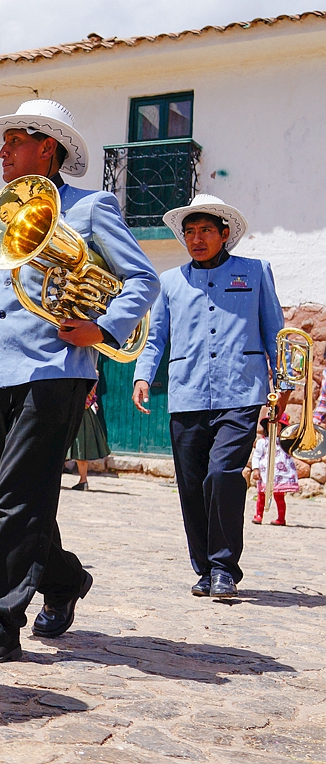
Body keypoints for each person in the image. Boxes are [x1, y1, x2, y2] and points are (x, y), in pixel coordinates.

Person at [0, 99, 158, 666]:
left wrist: (103, 326)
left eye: (14, 141)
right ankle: (62, 579)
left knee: (16, 498)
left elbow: (142, 279)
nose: (3, 152)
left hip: (53, 371)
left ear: (48, 148)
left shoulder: (91, 206)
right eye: (4, 143)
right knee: (9, 492)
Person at [133, 194, 285, 599]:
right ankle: (203, 568)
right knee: (192, 484)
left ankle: (223, 568)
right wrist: (143, 376)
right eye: (190, 232)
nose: (196, 239)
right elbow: (155, 337)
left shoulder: (255, 272)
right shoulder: (170, 281)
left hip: (242, 390)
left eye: (205, 231)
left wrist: (283, 383)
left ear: (224, 234)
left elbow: (275, 332)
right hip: (187, 393)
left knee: (223, 475)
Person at [251, 416, 297, 526]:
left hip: (280, 474)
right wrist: (255, 468)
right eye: (270, 425)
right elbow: (256, 455)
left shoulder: (285, 442)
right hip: (265, 473)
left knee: (279, 496)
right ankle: (259, 516)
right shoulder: (262, 442)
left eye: (278, 426)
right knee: (261, 495)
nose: (274, 428)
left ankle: (281, 518)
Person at [67, 378, 109, 491]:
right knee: (80, 447)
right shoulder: (92, 373)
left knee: (78, 447)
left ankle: (83, 480)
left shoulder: (88, 374)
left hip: (76, 412)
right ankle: (83, 480)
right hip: (84, 412)